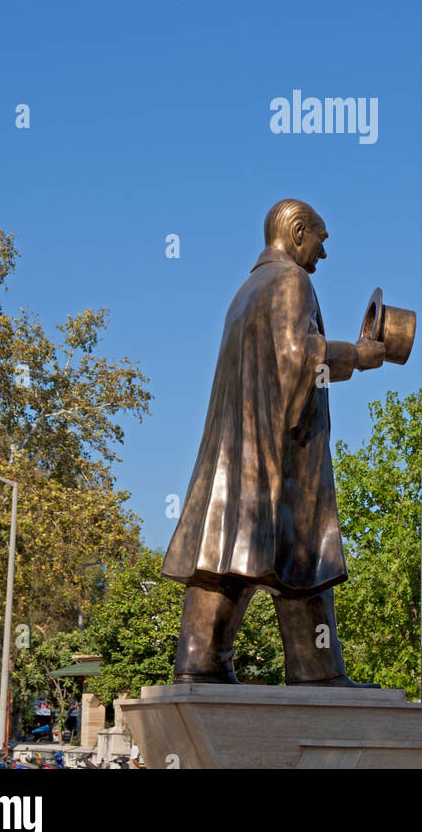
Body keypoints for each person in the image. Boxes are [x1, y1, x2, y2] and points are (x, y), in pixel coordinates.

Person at [162, 199, 385, 686]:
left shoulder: (244, 292)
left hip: (236, 451)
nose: (323, 255)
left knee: (226, 558)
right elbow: (298, 358)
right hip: (279, 454)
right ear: (298, 231)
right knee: (305, 558)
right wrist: (362, 356)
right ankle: (317, 673)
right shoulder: (290, 281)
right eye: (321, 241)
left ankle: (202, 663)